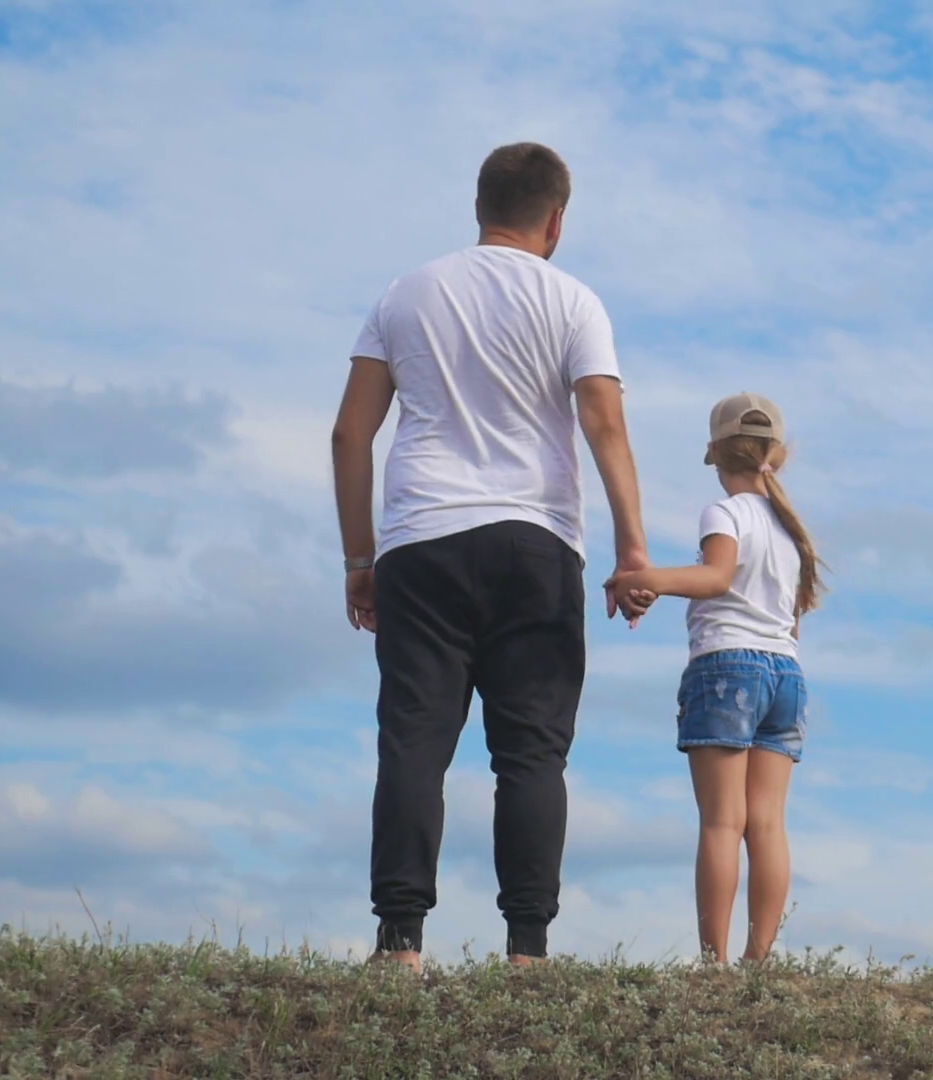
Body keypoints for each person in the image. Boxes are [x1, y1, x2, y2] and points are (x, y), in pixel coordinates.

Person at [330, 142, 652, 972]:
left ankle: (400, 942)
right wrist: (633, 546)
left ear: (479, 206)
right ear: (556, 219)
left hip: (422, 541)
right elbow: (603, 424)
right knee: (532, 752)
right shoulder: (574, 301)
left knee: (413, 741)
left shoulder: (405, 294)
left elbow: (349, 433)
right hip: (536, 543)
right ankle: (528, 952)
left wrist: (357, 559)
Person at [605, 393, 824, 963]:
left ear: (715, 453)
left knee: (722, 823)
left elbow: (717, 577)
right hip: (787, 674)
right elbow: (791, 620)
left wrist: (644, 577)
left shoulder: (723, 513)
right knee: (768, 825)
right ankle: (759, 959)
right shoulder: (790, 530)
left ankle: (714, 963)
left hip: (728, 666)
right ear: (774, 453)